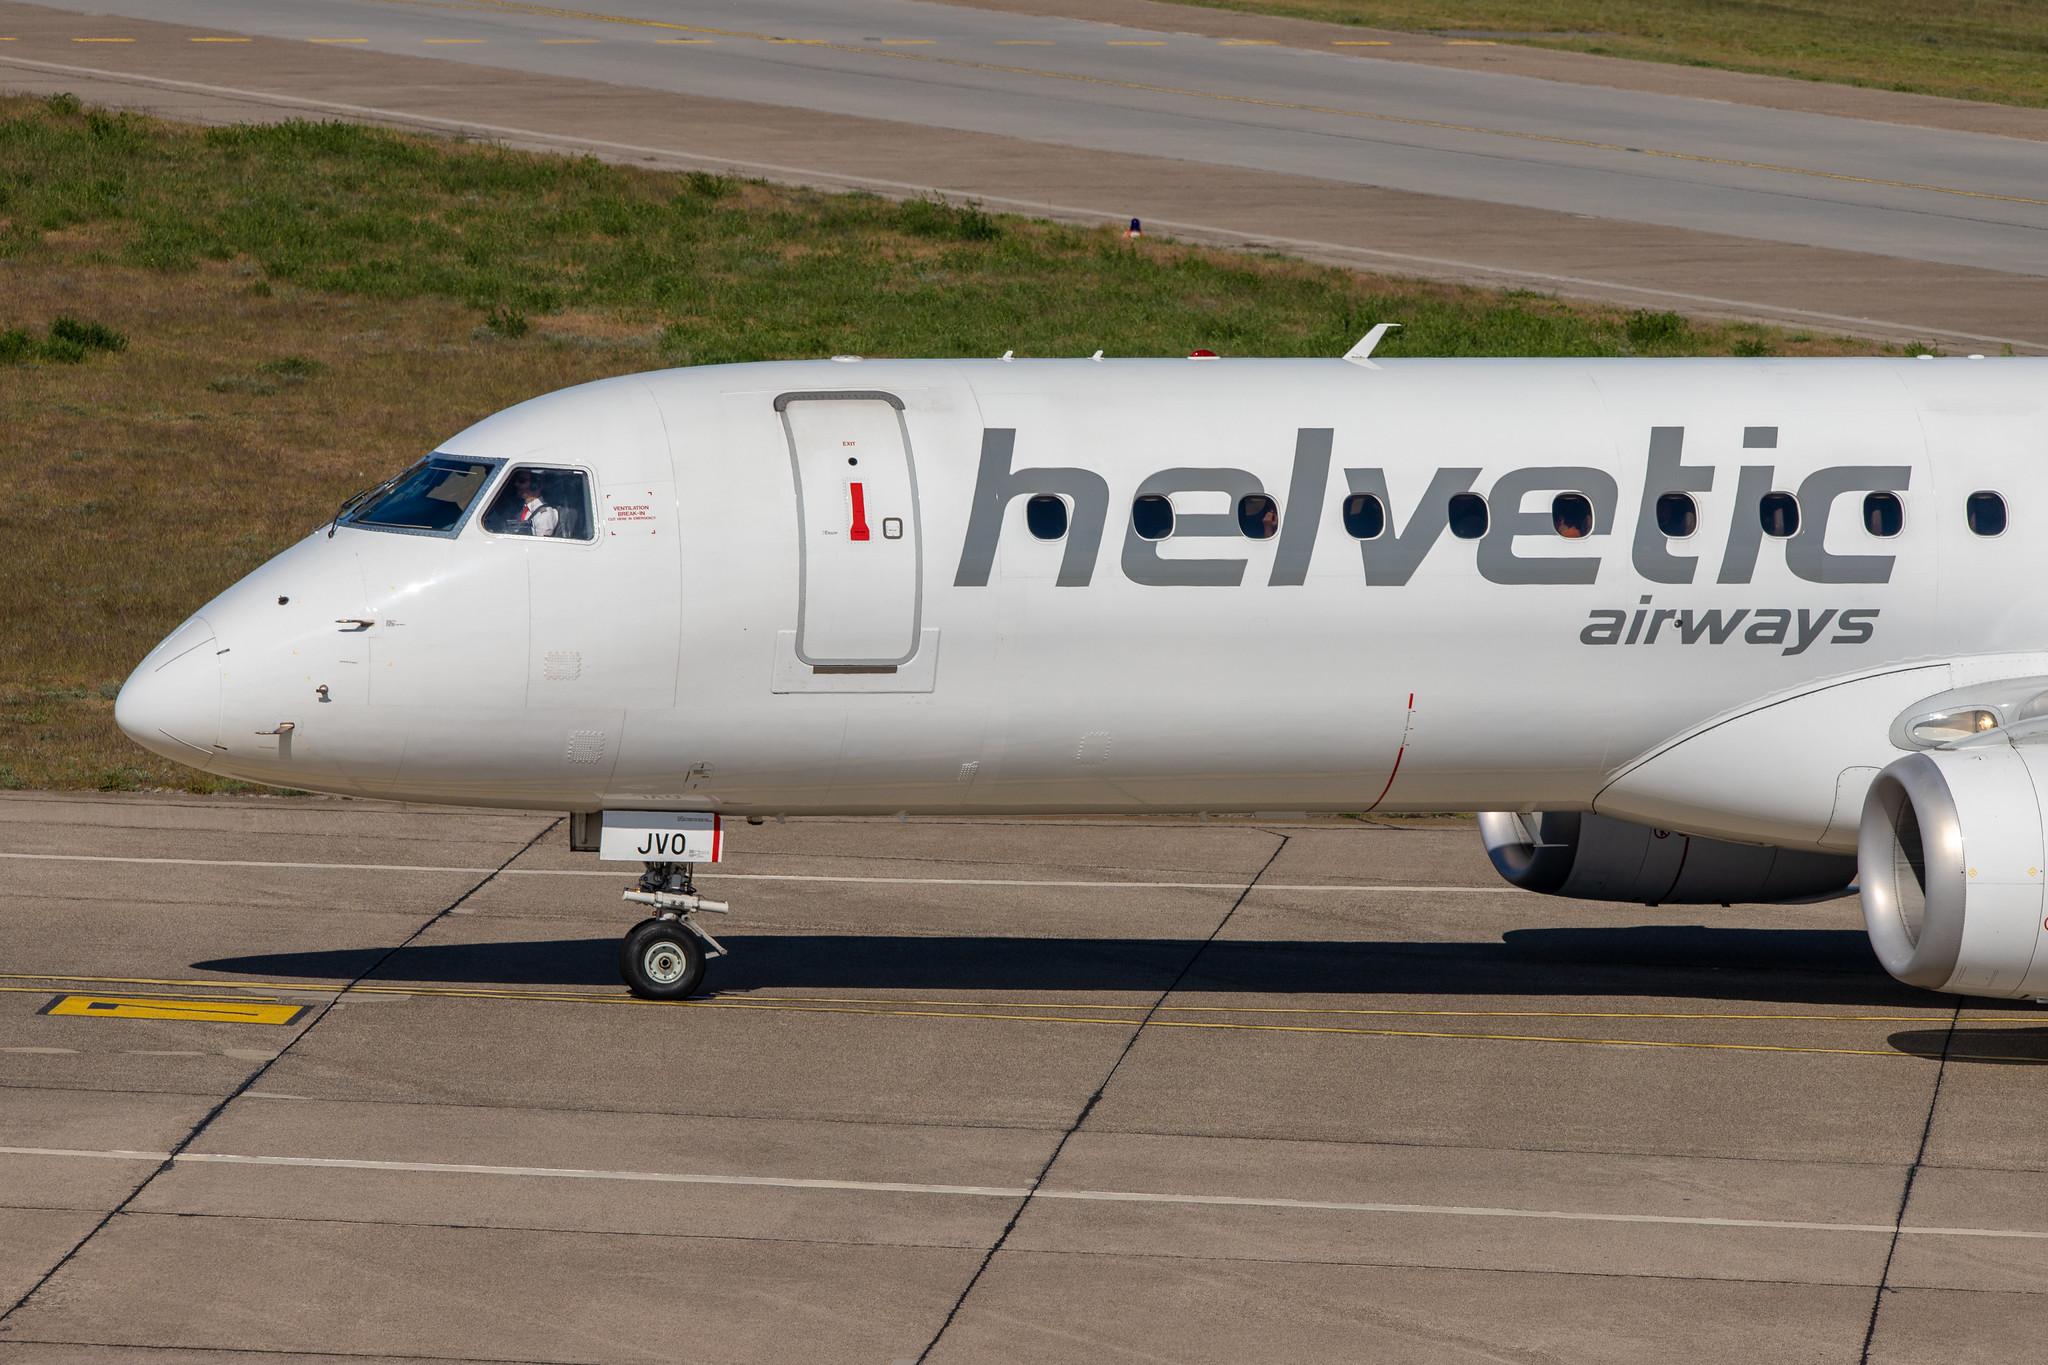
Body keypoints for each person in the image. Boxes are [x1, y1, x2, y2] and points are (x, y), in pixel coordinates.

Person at [498, 469, 559, 537]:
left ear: (535, 485)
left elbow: (540, 545)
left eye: (521, 481)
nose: (516, 484)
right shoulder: (519, 509)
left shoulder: (544, 515)